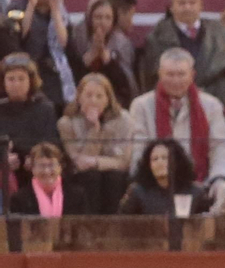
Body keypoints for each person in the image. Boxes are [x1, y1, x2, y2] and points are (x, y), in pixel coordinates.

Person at [128, 49, 225, 186]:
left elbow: (221, 148)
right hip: (155, 183)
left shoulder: (211, 105)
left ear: (192, 75)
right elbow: (138, 150)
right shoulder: (141, 105)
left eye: (181, 74)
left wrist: (218, 179)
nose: (176, 80)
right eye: (170, 75)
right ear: (160, 74)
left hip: (202, 183)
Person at [142, 0, 225, 104]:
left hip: (215, 105)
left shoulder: (219, 34)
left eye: (192, 2)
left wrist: (207, 98)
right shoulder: (155, 38)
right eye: (182, 3)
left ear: (201, 5)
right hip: (172, 107)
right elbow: (153, 80)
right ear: (172, 7)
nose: (187, 7)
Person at [57, 72, 133, 214]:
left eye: (99, 96)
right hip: (82, 177)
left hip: (115, 176)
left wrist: (95, 162)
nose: (93, 101)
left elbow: (123, 162)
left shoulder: (124, 119)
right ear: (79, 97)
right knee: (91, 177)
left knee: (114, 177)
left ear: (108, 99)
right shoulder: (66, 123)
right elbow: (79, 164)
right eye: (88, 95)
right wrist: (94, 129)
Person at [15, 0, 80, 110]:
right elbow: (21, 35)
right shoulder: (17, 7)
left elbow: (64, 43)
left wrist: (56, 8)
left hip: (55, 77)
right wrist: (31, 4)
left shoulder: (61, 14)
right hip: (28, 73)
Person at [0, 53, 62, 183]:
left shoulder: (45, 109)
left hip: (38, 170)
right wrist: (3, 159)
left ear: (30, 81)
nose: (16, 84)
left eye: (21, 79)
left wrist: (36, 159)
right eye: (11, 79)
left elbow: (52, 144)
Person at [118, 138, 209, 215]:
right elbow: (121, 226)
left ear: (177, 162)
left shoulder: (196, 192)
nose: (159, 162)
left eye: (165, 158)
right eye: (155, 159)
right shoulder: (137, 192)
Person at [8, 141, 86, 215]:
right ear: (32, 168)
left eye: (51, 165)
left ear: (60, 167)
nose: (46, 171)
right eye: (41, 166)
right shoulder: (19, 199)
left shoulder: (77, 195)